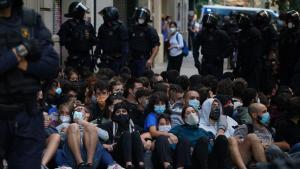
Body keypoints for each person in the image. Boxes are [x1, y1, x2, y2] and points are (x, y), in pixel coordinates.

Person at [0, 0, 59, 168]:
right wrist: (21, 51)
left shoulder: (30, 20)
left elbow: (50, 65)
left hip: (26, 114)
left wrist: (20, 64)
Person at [100, 102, 145, 169]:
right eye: (118, 112)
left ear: (128, 113)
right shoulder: (107, 126)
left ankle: (141, 164)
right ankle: (128, 165)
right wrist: (107, 146)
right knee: (126, 134)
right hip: (117, 153)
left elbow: (147, 133)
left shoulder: (133, 126)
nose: (121, 114)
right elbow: (96, 140)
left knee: (135, 134)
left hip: (133, 153)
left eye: (124, 111)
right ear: (114, 114)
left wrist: (148, 140)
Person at [58, 1, 96, 72]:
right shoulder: (67, 25)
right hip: (74, 57)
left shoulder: (88, 25)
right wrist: (73, 38)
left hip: (86, 57)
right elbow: (61, 41)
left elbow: (95, 41)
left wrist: (90, 37)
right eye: (82, 12)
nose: (84, 14)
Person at [193, 13, 233, 78]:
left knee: (216, 80)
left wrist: (221, 56)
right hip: (206, 61)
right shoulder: (202, 33)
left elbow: (230, 46)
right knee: (205, 81)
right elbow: (195, 47)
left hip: (216, 62)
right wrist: (196, 61)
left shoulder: (221, 33)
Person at [95, 6, 129, 74]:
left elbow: (125, 46)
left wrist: (124, 62)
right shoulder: (102, 27)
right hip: (105, 58)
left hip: (117, 59)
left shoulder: (121, 27)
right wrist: (95, 58)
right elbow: (99, 43)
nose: (104, 17)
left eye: (105, 15)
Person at [129, 7, 160, 77]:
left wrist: (151, 59)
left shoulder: (150, 30)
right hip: (132, 59)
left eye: (142, 18)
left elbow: (156, 46)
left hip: (143, 59)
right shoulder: (132, 28)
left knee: (142, 79)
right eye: (139, 18)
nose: (140, 20)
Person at [235, 13, 263, 89]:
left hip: (253, 65)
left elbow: (256, 52)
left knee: (251, 86)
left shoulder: (254, 33)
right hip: (244, 64)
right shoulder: (242, 33)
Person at [254, 10, 279, 91]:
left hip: (266, 59)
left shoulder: (270, 30)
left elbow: (274, 45)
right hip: (258, 57)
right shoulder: (257, 29)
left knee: (266, 79)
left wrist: (270, 57)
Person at [278, 10, 300, 85]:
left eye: (289, 21)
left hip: (295, 66)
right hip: (284, 64)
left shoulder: (297, 33)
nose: (287, 23)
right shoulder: (284, 32)